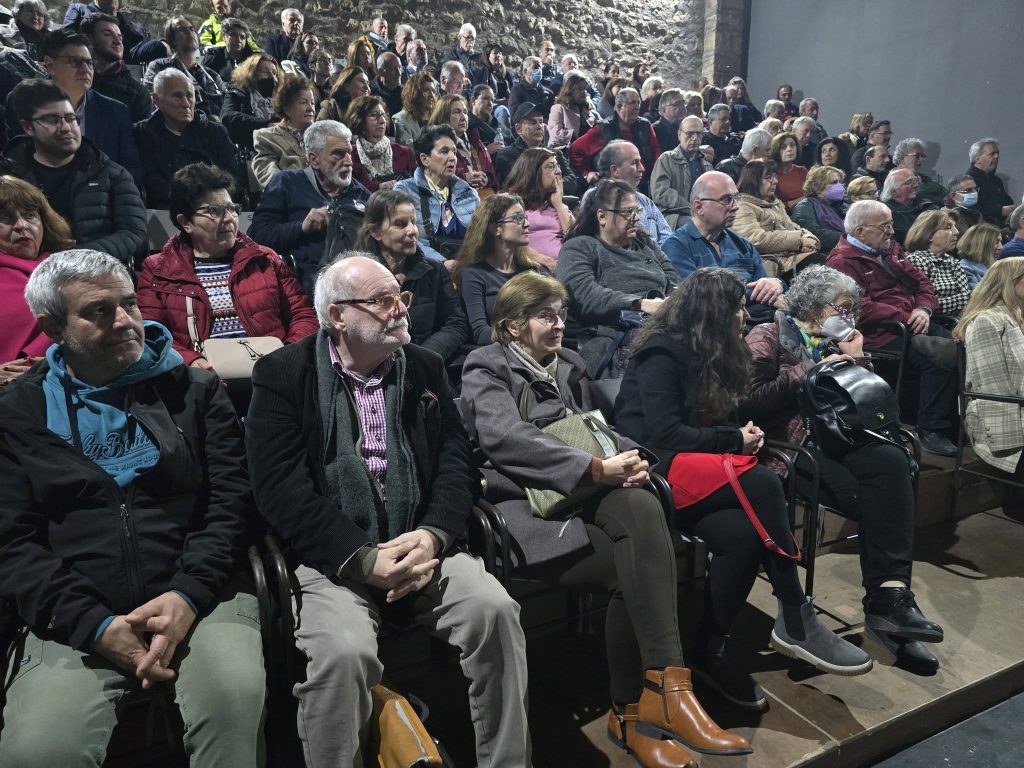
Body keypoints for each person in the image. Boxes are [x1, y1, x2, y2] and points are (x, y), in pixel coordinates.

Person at [244, 253, 531, 767]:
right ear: (337, 316)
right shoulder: (283, 374)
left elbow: (456, 461)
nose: (400, 309)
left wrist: (435, 534)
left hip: (420, 543)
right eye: (382, 301)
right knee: (343, 654)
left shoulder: (424, 365)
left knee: (496, 612)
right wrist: (360, 558)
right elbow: (279, 490)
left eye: (401, 296)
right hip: (331, 557)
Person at [462, 270, 749, 764]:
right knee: (641, 551)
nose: (558, 324)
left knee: (638, 531)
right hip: (526, 513)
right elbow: (504, 440)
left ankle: (639, 708)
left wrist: (634, 457)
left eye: (562, 314)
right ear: (511, 325)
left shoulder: (570, 363)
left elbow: (597, 430)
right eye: (544, 315)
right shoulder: (486, 366)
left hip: (585, 499)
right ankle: (663, 697)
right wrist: (595, 468)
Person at [0, 248, 264, 766]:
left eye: (128, 304)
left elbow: (232, 506)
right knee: (38, 751)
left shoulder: (195, 391)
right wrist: (96, 626)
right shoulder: (19, 413)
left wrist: (188, 594)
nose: (124, 321)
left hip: (202, 596)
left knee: (234, 700)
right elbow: (12, 542)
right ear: (53, 327)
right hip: (76, 613)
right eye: (98, 310)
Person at [614, 267, 873, 711]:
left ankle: (708, 653)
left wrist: (737, 432)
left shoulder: (712, 352)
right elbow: (663, 434)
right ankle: (795, 611)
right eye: (736, 307)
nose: (743, 315)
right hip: (652, 472)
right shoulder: (661, 352)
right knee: (761, 481)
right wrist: (734, 441)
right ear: (713, 311)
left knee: (743, 536)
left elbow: (713, 420)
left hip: (699, 470)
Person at [743, 265, 945, 673]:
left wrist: (858, 362)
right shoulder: (769, 334)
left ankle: (890, 596)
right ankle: (885, 609)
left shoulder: (841, 339)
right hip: (793, 445)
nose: (850, 318)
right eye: (842, 308)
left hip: (842, 438)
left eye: (853, 309)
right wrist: (814, 367)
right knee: (877, 500)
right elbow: (748, 400)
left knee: (894, 461)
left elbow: (868, 402)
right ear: (815, 307)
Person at [138, 162, 317, 375]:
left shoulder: (265, 258)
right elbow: (152, 332)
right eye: (214, 211)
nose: (229, 219)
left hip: (275, 374)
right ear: (186, 222)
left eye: (232, 209)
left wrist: (289, 355)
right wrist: (191, 362)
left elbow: (302, 315)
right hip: (201, 382)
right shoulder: (158, 269)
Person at [825, 200, 958, 456]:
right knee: (936, 356)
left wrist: (923, 309)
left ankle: (953, 424)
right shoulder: (841, 262)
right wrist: (907, 315)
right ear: (860, 231)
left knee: (958, 346)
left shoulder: (891, 250)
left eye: (891, 224)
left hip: (911, 322)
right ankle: (931, 429)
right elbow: (858, 307)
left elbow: (923, 285)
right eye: (884, 226)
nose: (892, 231)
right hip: (881, 333)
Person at [4, 79, 146, 267]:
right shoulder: (7, 176)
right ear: (28, 127)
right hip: (20, 273)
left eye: (71, 118)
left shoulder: (112, 174)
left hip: (94, 273)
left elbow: (132, 232)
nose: (66, 127)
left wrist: (75, 258)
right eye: (52, 120)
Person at [556, 179, 678, 377]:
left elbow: (672, 277)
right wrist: (640, 304)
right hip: (613, 337)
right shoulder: (579, 247)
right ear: (602, 216)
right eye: (627, 212)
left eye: (636, 211)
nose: (636, 218)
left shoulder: (644, 242)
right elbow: (585, 295)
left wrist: (673, 299)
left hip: (662, 323)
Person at [248, 120, 370, 298]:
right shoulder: (287, 183)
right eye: (338, 154)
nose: (349, 162)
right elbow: (256, 235)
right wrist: (301, 228)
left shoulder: (361, 194)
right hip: (311, 285)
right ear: (314, 160)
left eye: (350, 153)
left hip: (361, 278)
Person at [352, 189, 468, 365]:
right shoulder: (357, 277)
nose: (413, 231)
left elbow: (455, 323)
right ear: (375, 231)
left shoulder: (434, 270)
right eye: (400, 224)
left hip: (430, 364)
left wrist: (423, 357)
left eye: (413, 222)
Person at [21, 29, 144, 190]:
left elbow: (132, 169)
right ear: (50, 65)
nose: (86, 69)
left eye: (89, 62)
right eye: (75, 61)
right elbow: (18, 164)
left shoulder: (115, 112)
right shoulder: (24, 104)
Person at [662, 171, 785, 327]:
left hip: (756, 320)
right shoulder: (676, 247)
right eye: (727, 200)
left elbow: (764, 288)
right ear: (699, 207)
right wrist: (754, 294)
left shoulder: (742, 244)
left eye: (736, 198)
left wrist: (776, 283)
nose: (736, 207)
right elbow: (700, 300)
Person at [954, 258, 1024, 488]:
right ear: (1008, 282)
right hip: (1005, 422)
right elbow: (993, 391)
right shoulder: (986, 321)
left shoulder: (1018, 317)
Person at [0, 175, 74, 385]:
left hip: (65, 383)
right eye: (6, 218)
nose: (21, 225)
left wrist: (52, 365)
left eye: (29, 215)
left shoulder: (72, 272)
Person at [134, 69, 242, 210]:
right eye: (177, 96)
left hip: (214, 210)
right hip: (165, 212)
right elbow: (150, 184)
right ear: (157, 100)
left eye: (190, 96)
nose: (186, 103)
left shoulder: (215, 133)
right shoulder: (142, 134)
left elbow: (233, 179)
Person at [450, 192, 542, 346]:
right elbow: (480, 332)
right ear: (496, 228)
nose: (527, 224)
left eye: (525, 217)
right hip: (499, 354)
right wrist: (524, 337)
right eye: (518, 218)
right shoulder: (474, 275)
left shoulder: (532, 271)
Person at [393, 124, 479, 265]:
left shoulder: (469, 194)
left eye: (454, 151)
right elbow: (407, 238)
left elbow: (481, 238)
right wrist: (442, 263)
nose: (452, 158)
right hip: (424, 268)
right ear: (425, 159)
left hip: (468, 267)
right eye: (444, 151)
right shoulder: (404, 191)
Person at [732, 159, 821, 277]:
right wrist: (798, 242)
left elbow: (793, 227)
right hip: (767, 264)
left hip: (787, 257)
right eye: (768, 177)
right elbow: (755, 239)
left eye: (774, 177)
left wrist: (809, 238)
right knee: (818, 263)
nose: (775, 181)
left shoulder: (776, 203)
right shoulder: (742, 206)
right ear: (753, 180)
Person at [569, 87, 660, 193]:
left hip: (643, 184)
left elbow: (656, 152)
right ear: (619, 106)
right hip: (613, 187)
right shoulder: (603, 129)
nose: (637, 107)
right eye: (632, 103)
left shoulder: (645, 125)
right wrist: (586, 172)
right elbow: (575, 149)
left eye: (638, 103)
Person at [581, 139, 672, 245]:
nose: (642, 168)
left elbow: (667, 236)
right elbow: (590, 240)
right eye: (634, 163)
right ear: (615, 170)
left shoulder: (644, 200)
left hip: (656, 257)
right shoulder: (595, 197)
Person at [502, 147, 575, 265]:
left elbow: (576, 241)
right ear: (532, 172)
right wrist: (540, 258)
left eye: (558, 166)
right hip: (529, 269)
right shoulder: (508, 202)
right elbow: (502, 240)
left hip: (565, 268)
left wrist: (559, 204)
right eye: (550, 167)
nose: (558, 172)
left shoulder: (557, 204)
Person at [143, 16, 225, 117]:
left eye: (191, 29)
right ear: (172, 40)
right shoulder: (159, 67)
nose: (189, 32)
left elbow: (225, 109)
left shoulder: (212, 76)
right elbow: (150, 101)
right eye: (182, 29)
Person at [80, 11, 154, 123]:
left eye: (120, 36)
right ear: (88, 39)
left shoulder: (138, 93)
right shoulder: (71, 77)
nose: (118, 41)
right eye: (107, 34)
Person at [493, 101, 579, 194]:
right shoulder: (507, 154)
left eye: (541, 121)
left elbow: (572, 182)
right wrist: (554, 183)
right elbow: (520, 185)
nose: (539, 126)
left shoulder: (555, 153)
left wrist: (546, 184)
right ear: (518, 129)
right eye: (533, 122)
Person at [251, 73, 316, 189]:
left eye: (312, 103)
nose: (311, 108)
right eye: (304, 102)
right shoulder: (266, 137)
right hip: (292, 200)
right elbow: (270, 177)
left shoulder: (320, 136)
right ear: (287, 109)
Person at [650, 114, 712, 230]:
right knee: (699, 226)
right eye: (689, 133)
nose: (695, 138)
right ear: (679, 135)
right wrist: (691, 208)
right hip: (674, 215)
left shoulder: (706, 165)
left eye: (699, 133)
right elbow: (660, 193)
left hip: (701, 214)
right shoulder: (667, 159)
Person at [429, 93, 499, 194]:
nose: (463, 117)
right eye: (457, 112)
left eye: (465, 112)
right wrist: (464, 178)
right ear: (443, 117)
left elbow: (495, 180)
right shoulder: (434, 146)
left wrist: (486, 179)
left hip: (483, 204)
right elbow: (432, 180)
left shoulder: (477, 144)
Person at [904, 210, 970, 317]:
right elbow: (923, 304)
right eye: (948, 228)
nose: (956, 232)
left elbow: (966, 299)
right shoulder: (916, 261)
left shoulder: (952, 262)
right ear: (929, 234)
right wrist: (969, 298)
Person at [346, 95, 416, 193]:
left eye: (383, 115)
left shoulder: (404, 152)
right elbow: (349, 188)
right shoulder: (350, 154)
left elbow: (415, 186)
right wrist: (379, 186)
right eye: (374, 115)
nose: (382, 121)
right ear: (359, 120)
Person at [220, 52, 279, 156]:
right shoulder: (237, 94)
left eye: (274, 72)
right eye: (265, 72)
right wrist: (266, 124)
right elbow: (228, 117)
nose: (272, 77)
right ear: (251, 74)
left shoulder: (281, 98)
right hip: (251, 152)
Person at [63, 0, 151, 63]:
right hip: (92, 55)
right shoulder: (80, 9)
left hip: (127, 58)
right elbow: (67, 35)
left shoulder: (125, 20)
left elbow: (142, 40)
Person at [792, 165, 848, 253]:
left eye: (840, 182)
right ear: (817, 187)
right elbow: (814, 234)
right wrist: (848, 238)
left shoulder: (841, 206)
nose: (839, 186)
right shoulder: (804, 206)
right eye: (834, 182)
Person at [881, 168, 939, 246]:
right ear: (894, 192)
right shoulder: (885, 214)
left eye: (915, 181)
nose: (916, 185)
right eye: (909, 182)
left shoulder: (928, 206)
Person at [966, 138, 1014, 226]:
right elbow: (970, 210)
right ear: (977, 159)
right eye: (992, 154)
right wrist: (1001, 211)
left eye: (997, 153)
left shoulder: (996, 181)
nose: (996, 156)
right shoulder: (968, 181)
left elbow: (1009, 203)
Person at [548, 72, 600, 150]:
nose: (583, 92)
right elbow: (556, 134)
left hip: (589, 151)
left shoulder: (592, 113)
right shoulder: (558, 108)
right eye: (579, 88)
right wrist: (575, 136)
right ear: (569, 90)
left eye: (585, 89)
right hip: (565, 150)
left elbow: (604, 131)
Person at [199, 16, 257, 82]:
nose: (238, 40)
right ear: (224, 36)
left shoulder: (253, 60)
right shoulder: (213, 56)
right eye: (233, 35)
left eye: (242, 37)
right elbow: (203, 80)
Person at [891, 138, 945, 205]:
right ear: (902, 158)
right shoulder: (887, 180)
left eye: (922, 156)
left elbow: (946, 197)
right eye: (917, 156)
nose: (921, 160)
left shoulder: (927, 181)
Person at [391, 70, 435, 148]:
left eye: (433, 91)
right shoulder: (401, 119)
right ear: (415, 93)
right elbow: (409, 152)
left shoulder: (437, 117)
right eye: (426, 90)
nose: (432, 95)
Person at [769, 131, 807, 211]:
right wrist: (804, 199)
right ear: (776, 150)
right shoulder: (769, 173)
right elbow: (775, 206)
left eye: (792, 145)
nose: (789, 149)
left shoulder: (802, 171)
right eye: (783, 147)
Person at [959, 222, 1002, 290]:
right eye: (996, 242)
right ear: (981, 244)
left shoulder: (999, 265)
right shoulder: (964, 269)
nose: (1001, 247)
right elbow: (977, 298)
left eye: (1000, 242)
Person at [468, 84, 508, 155]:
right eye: (485, 98)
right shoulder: (466, 126)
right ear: (473, 100)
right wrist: (485, 151)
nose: (490, 103)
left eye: (492, 100)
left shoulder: (498, 125)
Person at [701, 103, 741, 169]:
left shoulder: (735, 141)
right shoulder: (702, 141)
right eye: (724, 119)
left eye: (729, 119)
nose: (728, 122)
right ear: (710, 121)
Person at [650, 87, 685, 152]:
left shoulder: (684, 126)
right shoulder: (655, 130)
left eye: (683, 102)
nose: (683, 106)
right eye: (677, 104)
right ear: (664, 110)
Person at [371, 51, 403, 117]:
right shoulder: (371, 94)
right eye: (393, 69)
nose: (399, 73)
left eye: (399, 67)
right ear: (381, 72)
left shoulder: (405, 93)